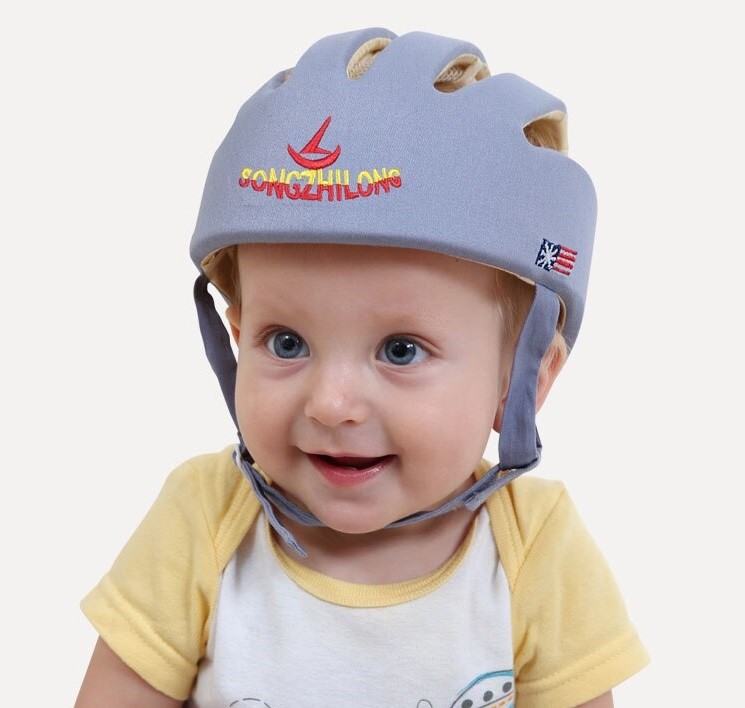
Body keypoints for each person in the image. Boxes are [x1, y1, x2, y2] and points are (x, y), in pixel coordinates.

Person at [75, 27, 649, 708]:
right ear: (237, 336)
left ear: (522, 381)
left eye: (401, 350)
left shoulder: (533, 550)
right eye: (285, 343)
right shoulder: (202, 520)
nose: (330, 403)